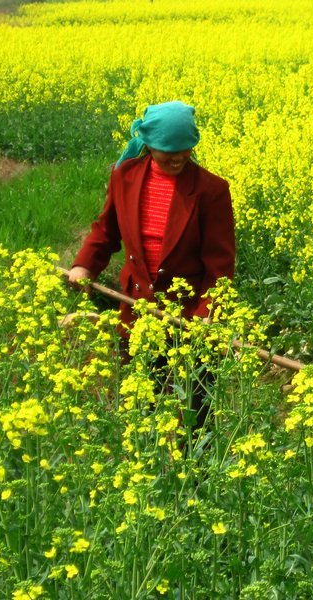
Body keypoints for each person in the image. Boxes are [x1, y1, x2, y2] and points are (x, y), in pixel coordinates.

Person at [69, 100, 235, 428]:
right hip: (139, 308)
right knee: (146, 406)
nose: (178, 158)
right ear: (148, 144)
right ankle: (148, 473)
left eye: (185, 150)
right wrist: (85, 266)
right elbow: (106, 229)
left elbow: (220, 263)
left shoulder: (211, 190)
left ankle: (199, 477)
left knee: (197, 412)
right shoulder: (125, 175)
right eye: (167, 151)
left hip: (191, 316)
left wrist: (207, 313)